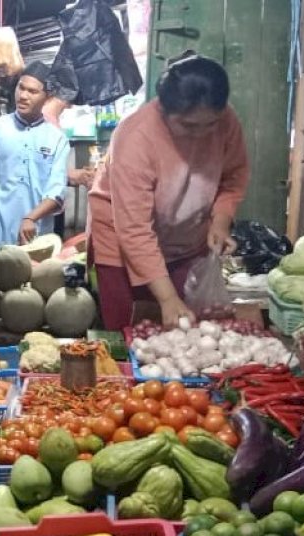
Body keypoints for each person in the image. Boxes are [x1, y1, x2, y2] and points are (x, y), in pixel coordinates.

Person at [88, 52, 249, 330]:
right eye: (188, 126)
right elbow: (134, 229)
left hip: (186, 242)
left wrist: (221, 220)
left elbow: (234, 176)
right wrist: (167, 298)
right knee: (132, 332)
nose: (201, 133)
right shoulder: (135, 137)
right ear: (163, 109)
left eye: (210, 124)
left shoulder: (226, 120)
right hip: (122, 241)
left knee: (186, 331)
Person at [0, 61, 70, 274]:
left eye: (33, 91)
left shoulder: (57, 139)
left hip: (35, 241)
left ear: (47, 97)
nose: (23, 95)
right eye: (21, 88)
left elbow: (57, 192)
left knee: (26, 303)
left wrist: (30, 217)